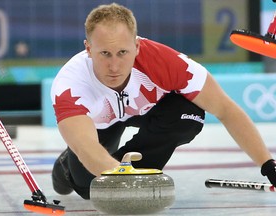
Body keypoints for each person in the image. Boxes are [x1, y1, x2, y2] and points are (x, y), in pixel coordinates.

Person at [51, 3, 276, 200]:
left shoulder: (167, 63)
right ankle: (66, 167)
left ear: (137, 46)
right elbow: (87, 148)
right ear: (88, 49)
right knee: (90, 188)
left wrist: (268, 165)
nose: (115, 66)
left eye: (122, 52)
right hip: (98, 126)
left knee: (189, 115)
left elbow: (226, 110)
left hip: (150, 112)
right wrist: (123, 179)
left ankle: (137, 171)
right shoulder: (70, 85)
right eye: (105, 54)